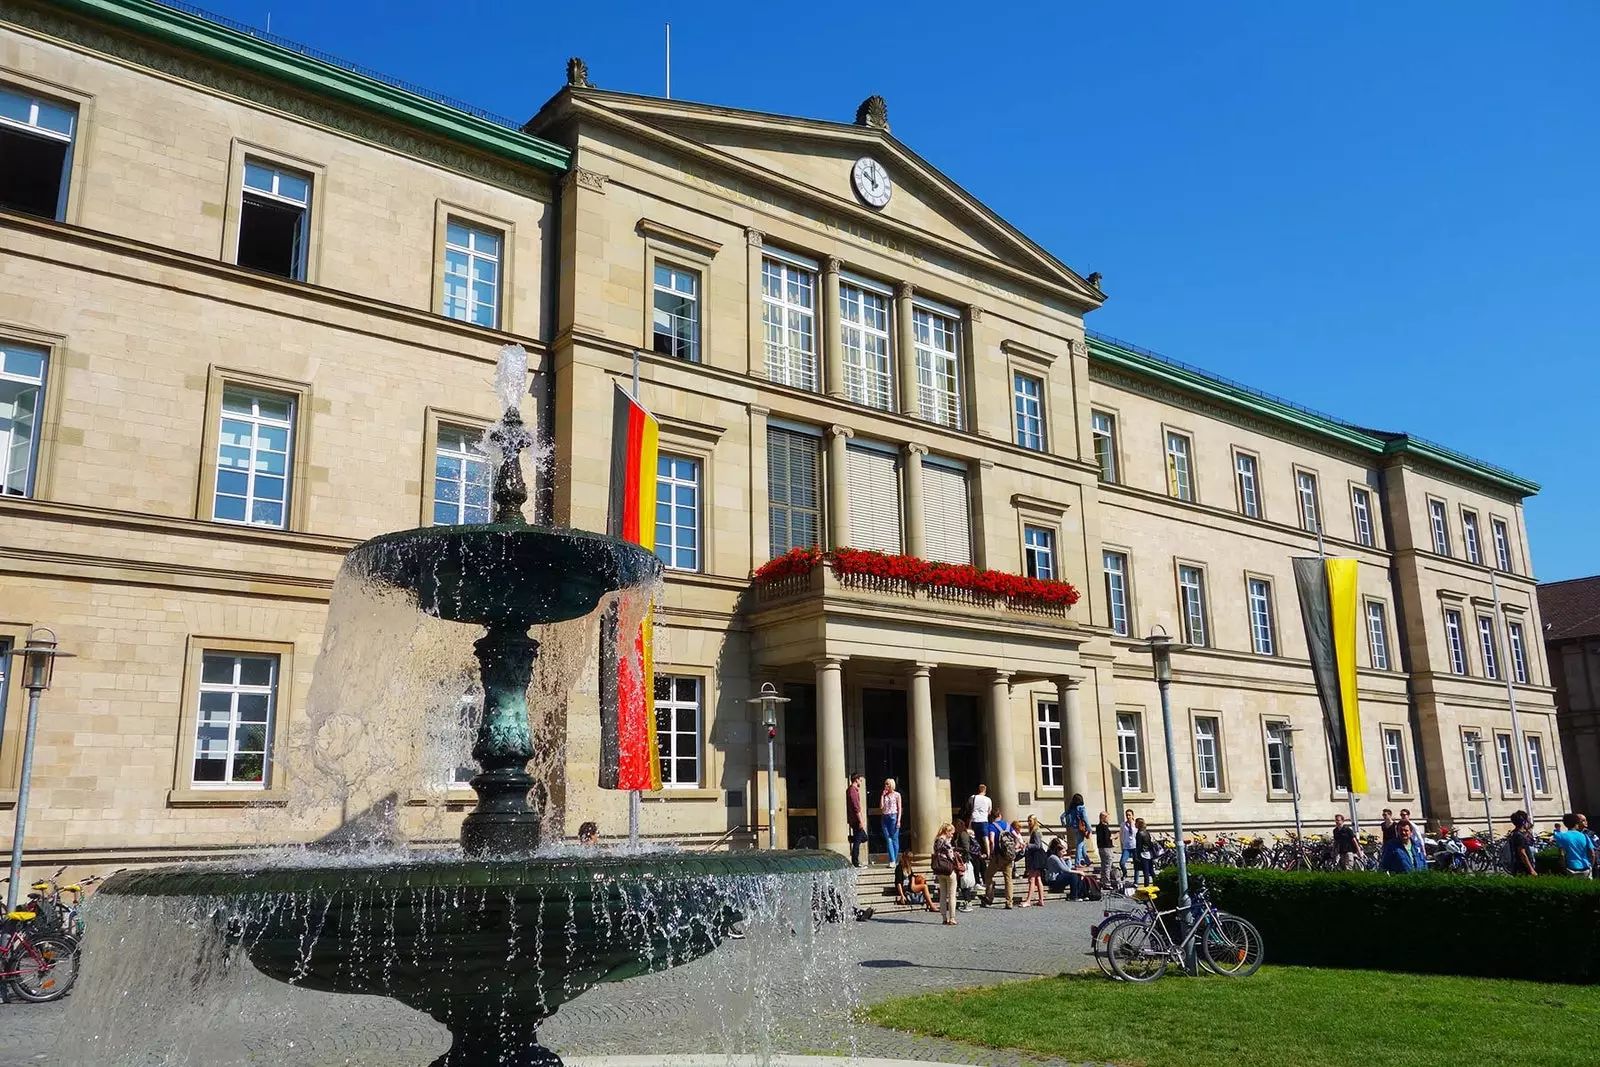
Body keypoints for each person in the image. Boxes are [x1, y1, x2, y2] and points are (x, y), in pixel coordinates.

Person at [982, 809, 1017, 908]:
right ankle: (1009, 902)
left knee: (988, 875)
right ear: (1000, 815)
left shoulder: (992, 826)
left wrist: (991, 852)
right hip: (1008, 856)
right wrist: (1017, 847)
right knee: (1008, 879)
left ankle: (989, 896)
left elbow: (992, 840)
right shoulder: (1007, 824)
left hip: (998, 856)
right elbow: (1016, 836)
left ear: (991, 817)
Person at [931, 823, 960, 925]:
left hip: (939, 870)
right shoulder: (946, 842)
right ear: (947, 831)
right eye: (951, 833)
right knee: (952, 895)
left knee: (942, 894)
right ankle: (952, 918)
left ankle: (944, 917)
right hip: (949, 870)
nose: (952, 835)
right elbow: (951, 856)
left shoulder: (936, 841)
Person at [1555, 813, 1594, 877]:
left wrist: (1564, 867)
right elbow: (1592, 854)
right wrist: (1591, 866)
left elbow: (1562, 854)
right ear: (1577, 823)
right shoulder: (1585, 836)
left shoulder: (1561, 837)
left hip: (1571, 867)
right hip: (1586, 866)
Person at [951, 818, 978, 911]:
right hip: (961, 861)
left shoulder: (963, 835)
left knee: (964, 882)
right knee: (962, 882)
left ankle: (968, 902)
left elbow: (966, 849)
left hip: (963, 861)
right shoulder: (960, 834)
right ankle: (967, 901)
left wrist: (955, 848)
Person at [1021, 815, 1047, 906]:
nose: (1028, 823)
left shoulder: (1035, 831)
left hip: (1036, 857)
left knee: (1032, 879)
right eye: (1028, 821)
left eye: (1030, 821)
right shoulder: (1036, 831)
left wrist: (1027, 845)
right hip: (1038, 856)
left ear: (1035, 821)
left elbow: (1037, 845)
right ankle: (1041, 899)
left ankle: (1028, 901)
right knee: (1038, 879)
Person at [846, 773, 868, 868]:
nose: (861, 781)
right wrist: (861, 821)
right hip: (856, 820)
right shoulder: (852, 791)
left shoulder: (852, 790)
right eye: (860, 779)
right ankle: (856, 862)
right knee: (858, 842)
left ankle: (851, 839)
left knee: (864, 837)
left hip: (854, 819)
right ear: (856, 780)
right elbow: (856, 808)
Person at [880, 778, 903, 867]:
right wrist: (882, 796)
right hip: (885, 817)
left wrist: (899, 820)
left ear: (891, 785)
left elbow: (899, 808)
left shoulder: (897, 795)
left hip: (894, 816)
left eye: (887, 784)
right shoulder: (884, 795)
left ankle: (894, 860)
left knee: (894, 839)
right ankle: (892, 860)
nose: (885, 786)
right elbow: (881, 807)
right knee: (888, 839)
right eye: (885, 784)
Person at [1509, 810, 1538, 876]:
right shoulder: (1519, 836)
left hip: (1517, 867)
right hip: (1523, 868)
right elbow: (1522, 853)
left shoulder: (1514, 833)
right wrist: (1531, 869)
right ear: (1524, 822)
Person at [1063, 792, 1089, 864]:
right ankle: (1077, 862)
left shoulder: (1071, 808)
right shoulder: (1081, 808)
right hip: (1081, 828)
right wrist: (1089, 828)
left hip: (1074, 828)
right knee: (1079, 845)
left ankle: (1087, 861)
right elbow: (1085, 818)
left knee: (1082, 844)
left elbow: (1062, 816)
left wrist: (1064, 824)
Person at [1133, 817, 1156, 886]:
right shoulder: (1146, 832)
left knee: (1145, 872)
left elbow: (1139, 845)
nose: (1135, 824)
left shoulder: (1139, 833)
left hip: (1143, 854)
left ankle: (1146, 886)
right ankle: (1157, 883)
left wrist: (1137, 855)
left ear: (1138, 824)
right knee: (1151, 870)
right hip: (1149, 853)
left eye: (1136, 823)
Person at [1094, 812, 1115, 886]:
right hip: (1107, 848)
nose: (1109, 818)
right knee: (1107, 866)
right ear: (1104, 818)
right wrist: (1114, 836)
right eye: (1108, 817)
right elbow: (1107, 839)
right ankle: (1107, 882)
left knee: (1103, 865)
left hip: (1100, 848)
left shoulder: (1098, 827)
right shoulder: (1104, 827)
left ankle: (1103, 881)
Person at [1120, 808, 1137, 877]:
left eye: (1129, 815)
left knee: (1136, 865)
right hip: (1126, 847)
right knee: (1122, 862)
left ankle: (1136, 881)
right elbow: (1121, 835)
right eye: (1127, 815)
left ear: (1133, 816)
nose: (1128, 817)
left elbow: (1136, 835)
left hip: (1134, 846)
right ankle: (1125, 872)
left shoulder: (1136, 824)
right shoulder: (1123, 824)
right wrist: (1122, 844)